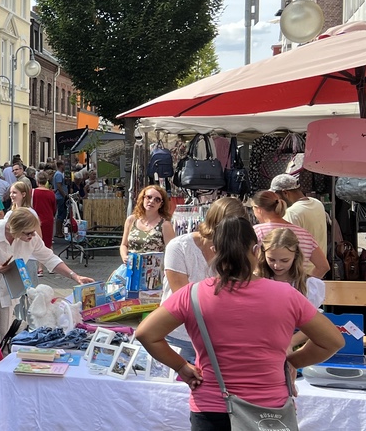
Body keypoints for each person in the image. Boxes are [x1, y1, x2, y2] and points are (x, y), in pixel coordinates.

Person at [135, 217, 344, 431]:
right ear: (255, 250)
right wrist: (291, 363)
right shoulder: (286, 294)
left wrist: (181, 366)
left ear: (214, 250)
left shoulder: (193, 293)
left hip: (211, 406)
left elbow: (146, 333)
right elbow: (332, 341)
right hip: (270, 409)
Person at [0, 208, 93, 358]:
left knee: (2, 332)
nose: (32, 236)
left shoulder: (31, 238)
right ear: (13, 229)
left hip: (6, 286)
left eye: (34, 231)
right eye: (28, 233)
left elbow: (49, 258)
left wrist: (75, 276)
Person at [161, 197, 250, 362]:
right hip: (181, 335)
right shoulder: (179, 246)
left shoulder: (234, 250)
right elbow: (182, 297)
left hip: (219, 339)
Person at [249, 190, 331, 278]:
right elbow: (323, 266)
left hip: (265, 288)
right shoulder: (304, 234)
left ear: (258, 209)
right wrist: (306, 284)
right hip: (296, 288)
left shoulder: (256, 231)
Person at [259, 227, 325, 308]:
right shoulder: (258, 280)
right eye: (271, 260)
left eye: (284, 260)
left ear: (295, 256)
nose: (277, 265)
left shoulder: (307, 285)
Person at [271, 174, 329, 252]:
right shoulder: (317, 203)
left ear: (285, 193)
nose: (276, 200)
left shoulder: (292, 212)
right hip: (319, 261)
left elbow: (288, 245)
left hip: (302, 263)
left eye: (276, 196)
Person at [119, 185, 177, 263]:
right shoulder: (131, 220)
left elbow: (172, 252)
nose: (152, 201)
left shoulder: (165, 225)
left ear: (161, 204)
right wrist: (124, 257)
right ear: (142, 199)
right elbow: (124, 245)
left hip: (153, 272)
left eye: (157, 199)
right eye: (149, 197)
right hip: (131, 269)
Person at [30, 171, 58, 276]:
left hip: (36, 220)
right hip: (48, 219)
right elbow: (54, 208)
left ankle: (40, 268)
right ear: (46, 181)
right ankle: (51, 267)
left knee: (37, 243)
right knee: (48, 243)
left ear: (37, 181)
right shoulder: (51, 193)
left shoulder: (32, 192)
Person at [52, 161, 69, 238]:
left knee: (61, 214)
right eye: (64, 165)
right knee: (61, 214)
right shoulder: (58, 174)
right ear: (60, 165)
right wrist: (64, 195)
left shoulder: (59, 174)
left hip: (60, 196)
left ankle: (58, 231)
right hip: (60, 197)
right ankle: (58, 232)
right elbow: (59, 186)